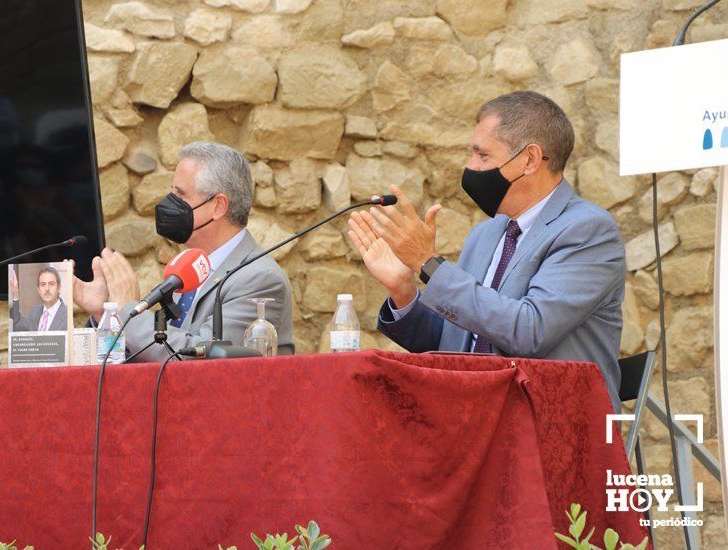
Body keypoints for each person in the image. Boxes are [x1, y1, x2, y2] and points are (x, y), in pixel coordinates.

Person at [348, 91, 626, 411]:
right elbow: (452, 346)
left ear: (530, 160)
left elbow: (528, 331)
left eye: (483, 156)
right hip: (476, 422)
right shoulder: (486, 234)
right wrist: (404, 291)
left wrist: (428, 263)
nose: (470, 167)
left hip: (553, 427)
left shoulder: (588, 230)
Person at [72, 141, 294, 361]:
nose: (169, 203)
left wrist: (128, 312)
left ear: (218, 206)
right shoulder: (191, 269)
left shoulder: (259, 280)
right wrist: (106, 313)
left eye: (180, 194)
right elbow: (153, 356)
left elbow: (198, 359)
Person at [10, 265, 69, 332]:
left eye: (51, 284)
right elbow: (16, 326)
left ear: (59, 287)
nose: (47, 289)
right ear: (38, 290)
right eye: (43, 284)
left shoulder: (68, 314)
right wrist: (16, 294)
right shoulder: (35, 311)